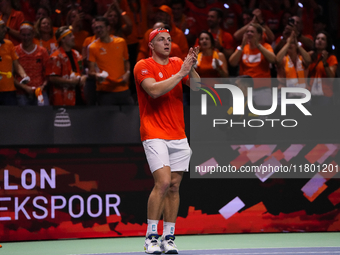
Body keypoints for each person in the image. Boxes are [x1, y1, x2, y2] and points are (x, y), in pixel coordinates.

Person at [134, 27, 200, 254]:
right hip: (153, 133)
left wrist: (190, 67)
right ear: (151, 45)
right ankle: (151, 237)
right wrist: (181, 73)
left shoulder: (177, 63)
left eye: (169, 39)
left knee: (174, 186)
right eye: (161, 39)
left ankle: (168, 238)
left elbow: (199, 87)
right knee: (162, 182)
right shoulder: (143, 66)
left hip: (178, 134)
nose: (167, 43)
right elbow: (153, 91)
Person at [88, 16, 133, 106]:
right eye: (96, 28)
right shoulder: (92, 47)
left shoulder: (121, 42)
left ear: (108, 28)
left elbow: (126, 62)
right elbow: (91, 72)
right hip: (105, 92)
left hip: (123, 88)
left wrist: (127, 73)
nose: (99, 30)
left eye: (101, 27)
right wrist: (97, 75)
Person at [229, 23, 276, 107]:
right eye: (247, 31)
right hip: (244, 90)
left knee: (264, 117)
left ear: (259, 35)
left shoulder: (266, 46)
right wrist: (242, 46)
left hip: (262, 89)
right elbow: (232, 63)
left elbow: (272, 59)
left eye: (252, 32)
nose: (249, 33)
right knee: (242, 116)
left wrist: (257, 45)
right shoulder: (242, 48)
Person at [46, 26, 86, 106]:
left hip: (78, 96)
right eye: (70, 35)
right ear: (63, 39)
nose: (73, 37)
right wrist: (71, 82)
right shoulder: (55, 56)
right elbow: (52, 78)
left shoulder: (77, 54)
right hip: (63, 99)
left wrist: (84, 77)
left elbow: (82, 72)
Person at [15, 21, 50, 106]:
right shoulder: (14, 51)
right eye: (23, 35)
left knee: (44, 116)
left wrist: (42, 87)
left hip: (40, 92)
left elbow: (48, 73)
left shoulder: (42, 51)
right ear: (20, 35)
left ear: (33, 34)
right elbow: (11, 75)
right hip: (21, 92)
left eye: (28, 35)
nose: (26, 38)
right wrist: (25, 88)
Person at [0, 19, 29, 105]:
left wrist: (24, 75)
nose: (5, 30)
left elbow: (16, 64)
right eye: (2, 27)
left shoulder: (9, 44)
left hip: (9, 91)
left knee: (11, 118)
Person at [276, 31, 311, 101]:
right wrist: (288, 43)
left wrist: (298, 45)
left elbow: (308, 60)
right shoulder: (283, 59)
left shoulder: (302, 58)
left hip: (303, 92)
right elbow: (277, 60)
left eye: (292, 43)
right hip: (285, 92)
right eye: (288, 44)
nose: (290, 45)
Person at [308, 31, 338, 106]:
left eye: (323, 39)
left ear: (327, 43)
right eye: (317, 38)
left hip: (325, 94)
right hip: (310, 93)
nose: (319, 40)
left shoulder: (331, 58)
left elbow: (331, 78)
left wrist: (325, 63)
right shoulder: (310, 56)